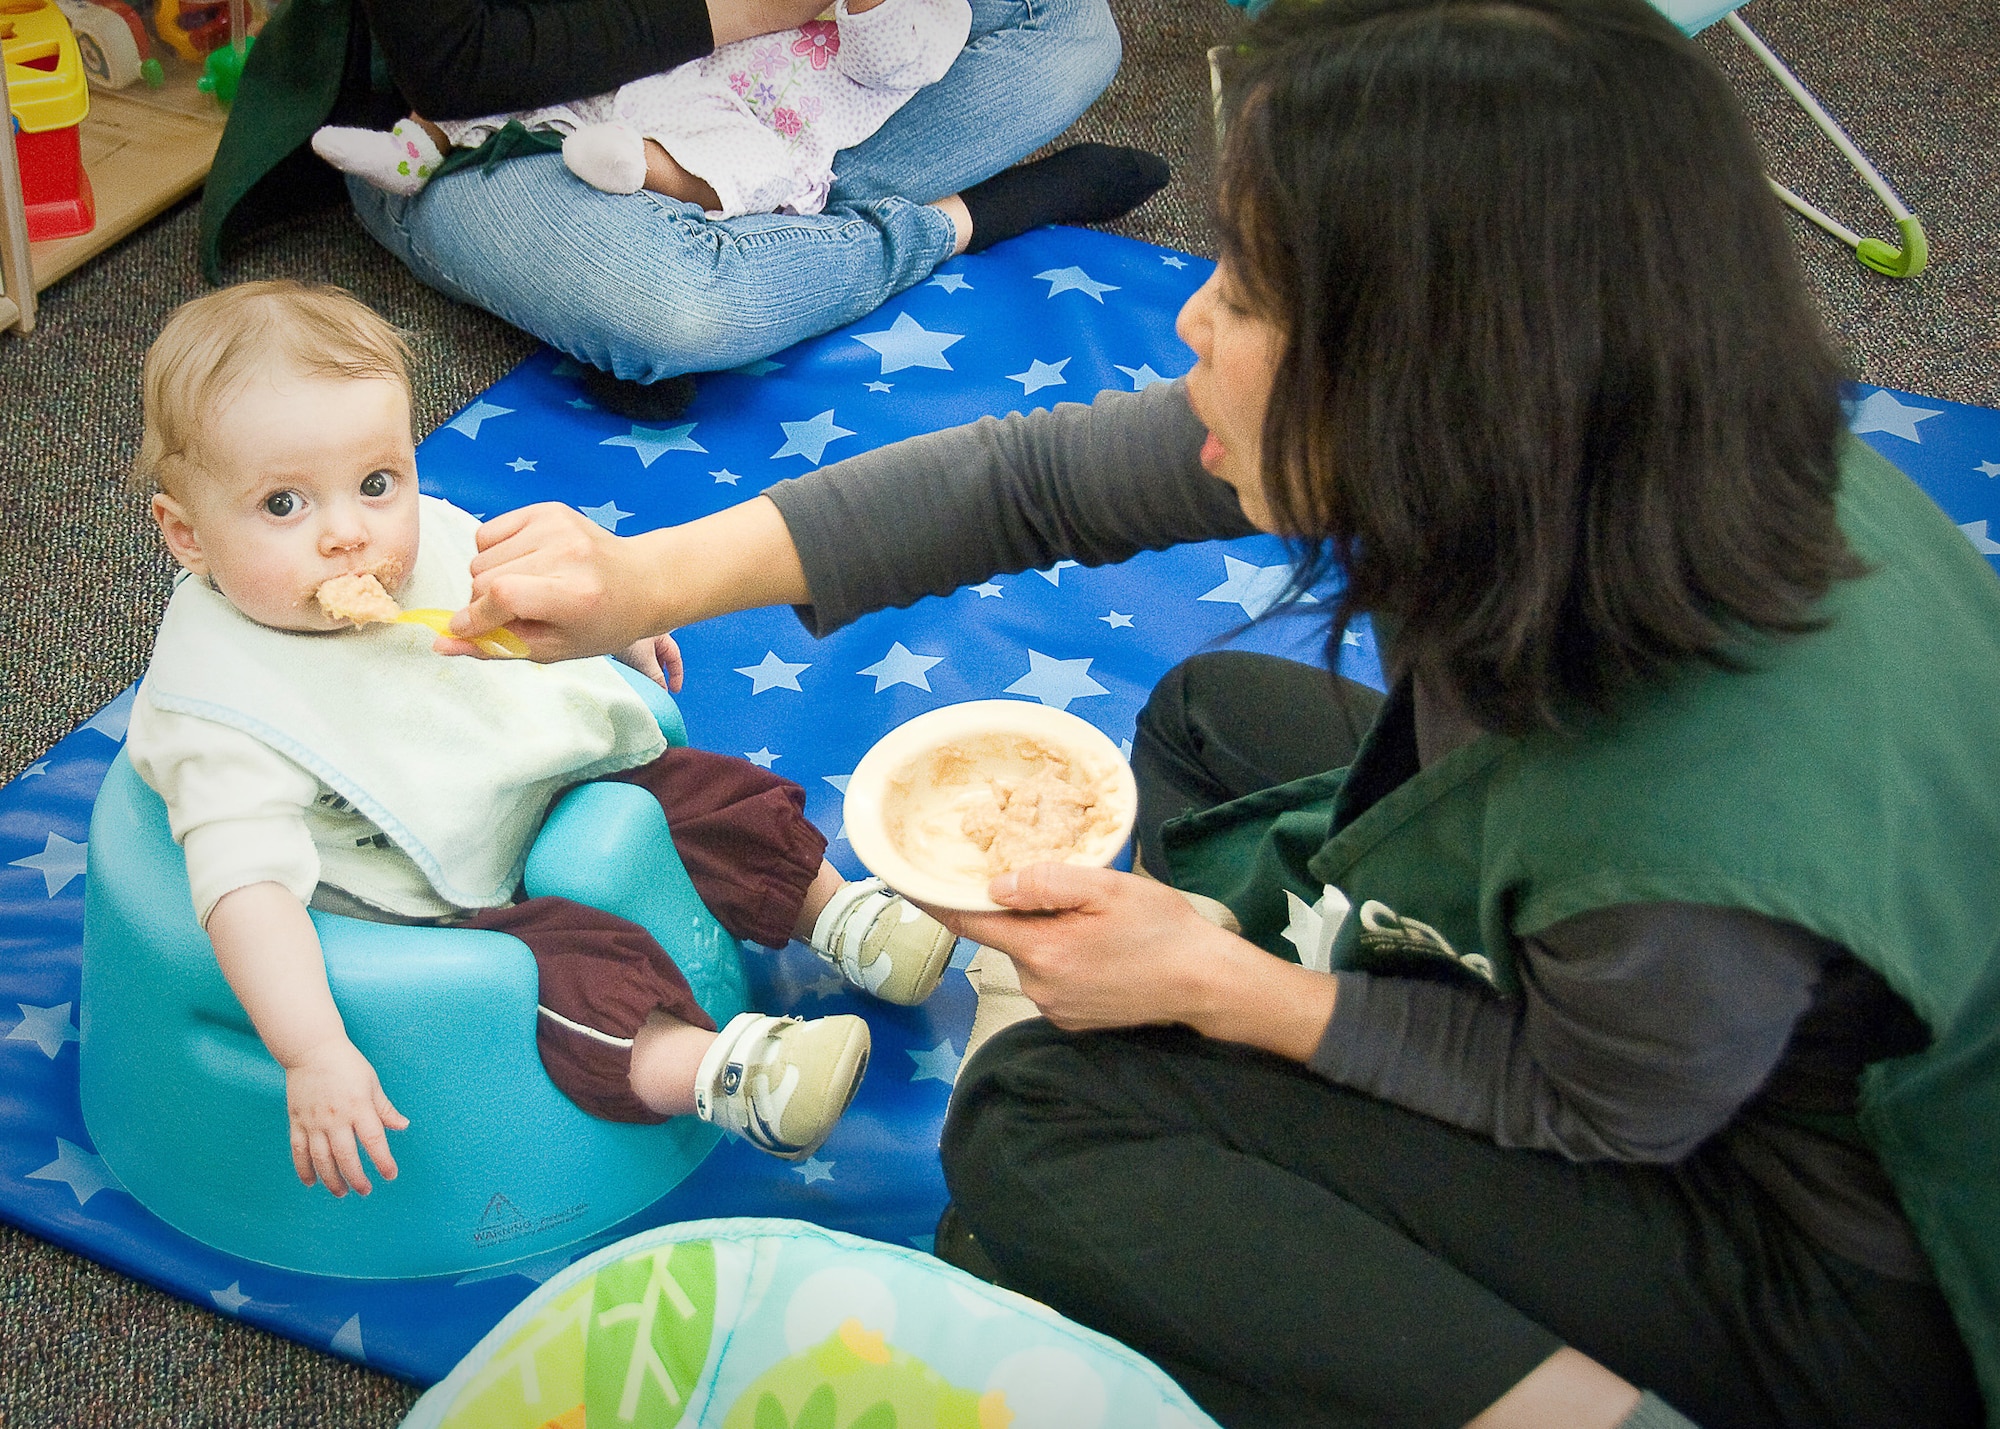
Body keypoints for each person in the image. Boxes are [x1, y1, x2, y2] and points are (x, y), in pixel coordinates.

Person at [429, 0, 2000, 1426]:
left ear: (1431, 382)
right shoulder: (1632, 444)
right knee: (1207, 715)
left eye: (1248, 287)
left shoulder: (1682, 814)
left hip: (1817, 1254)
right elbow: (1026, 480)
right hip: (1673, 1011)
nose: (1190, 316)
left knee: (1040, 1123)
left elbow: (1593, 1106)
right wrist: (638, 583)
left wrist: (1238, 995)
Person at [122, 280, 961, 1200]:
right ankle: (723, 1074)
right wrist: (313, 1049)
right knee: (561, 975)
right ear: (188, 536)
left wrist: (619, 622)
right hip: (437, 889)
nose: (350, 537)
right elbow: (246, 897)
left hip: (525, 789)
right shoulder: (225, 711)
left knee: (702, 791)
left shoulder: (426, 541)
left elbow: (521, 588)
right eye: (284, 505)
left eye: (376, 484)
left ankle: (835, 914)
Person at [199, 0, 1157, 415]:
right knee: (678, 305)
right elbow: (456, 64)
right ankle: (964, 216)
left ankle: (761, 201)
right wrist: (747, 12)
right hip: (481, 116)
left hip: (747, 88)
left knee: (1071, 28)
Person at [311, 0, 972, 217]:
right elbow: (458, 60)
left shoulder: (938, 17)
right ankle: (413, 150)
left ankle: (644, 172)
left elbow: (884, 62)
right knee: (562, 94)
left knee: (741, 166)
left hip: (763, 116)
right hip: (676, 68)